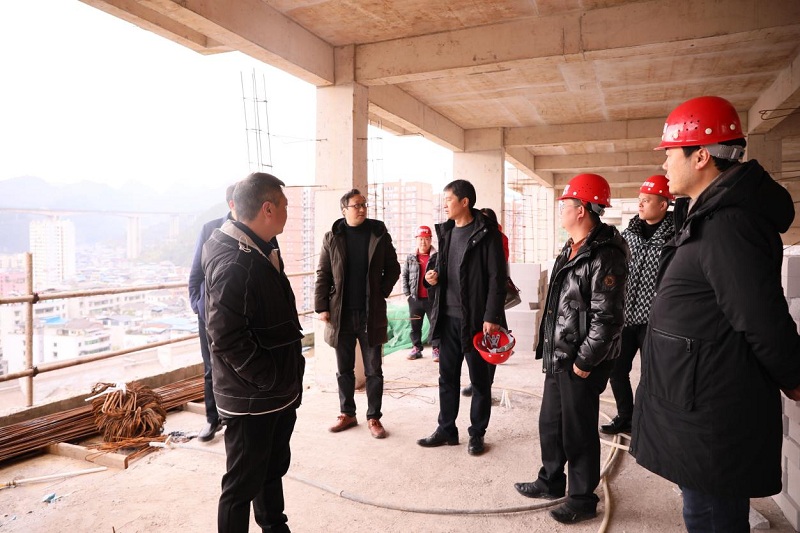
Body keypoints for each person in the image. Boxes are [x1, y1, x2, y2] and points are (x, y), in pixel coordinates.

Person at [629, 95, 800, 533]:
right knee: (703, 508)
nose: (664, 163)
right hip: (699, 396)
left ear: (701, 156)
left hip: (712, 408)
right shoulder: (708, 214)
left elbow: (760, 315)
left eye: (671, 152)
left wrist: (794, 375)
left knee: (710, 517)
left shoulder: (729, 224)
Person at [514, 173, 628, 525]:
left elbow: (607, 317)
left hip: (581, 358)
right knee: (551, 422)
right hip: (559, 353)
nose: (560, 209)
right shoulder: (571, 247)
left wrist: (585, 360)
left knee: (578, 430)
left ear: (581, 210)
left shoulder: (605, 255)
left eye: (564, 204)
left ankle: (581, 498)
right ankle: (550, 480)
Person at [202, 172, 305, 533]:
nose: (288, 211)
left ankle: (274, 526)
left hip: (273, 394)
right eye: (285, 205)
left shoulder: (261, 245)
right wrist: (268, 378)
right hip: (252, 398)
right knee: (241, 485)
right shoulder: (235, 261)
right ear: (267, 209)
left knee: (270, 470)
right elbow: (225, 336)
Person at [416, 179, 507, 457]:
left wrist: (491, 315)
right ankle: (447, 429)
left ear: (464, 202)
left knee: (480, 382)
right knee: (447, 378)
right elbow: (440, 268)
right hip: (447, 318)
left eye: (448, 199)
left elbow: (497, 278)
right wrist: (432, 278)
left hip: (477, 321)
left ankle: (477, 433)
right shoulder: (446, 233)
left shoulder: (487, 234)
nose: (444, 205)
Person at [314, 189, 400, 439]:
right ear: (344, 210)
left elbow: (393, 268)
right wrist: (321, 306)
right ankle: (347, 413)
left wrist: (381, 292)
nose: (362, 209)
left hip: (370, 313)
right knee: (344, 369)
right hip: (340, 314)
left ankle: (374, 417)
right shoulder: (332, 237)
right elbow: (323, 273)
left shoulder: (378, 234)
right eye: (356, 205)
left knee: (374, 370)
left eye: (364, 204)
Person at [600, 176, 674, 435]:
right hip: (625, 318)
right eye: (640, 199)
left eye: (647, 200)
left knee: (652, 375)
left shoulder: (675, 238)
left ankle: (649, 422)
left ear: (663, 205)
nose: (640, 204)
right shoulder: (628, 235)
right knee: (617, 369)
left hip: (655, 320)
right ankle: (626, 417)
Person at [187, 183, 236, 442]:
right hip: (208, 315)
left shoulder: (259, 231)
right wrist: (199, 306)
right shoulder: (210, 229)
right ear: (232, 203)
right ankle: (212, 419)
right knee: (210, 368)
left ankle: (233, 417)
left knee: (237, 366)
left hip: (239, 314)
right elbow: (195, 274)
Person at [461, 207, 509, 397]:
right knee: (474, 343)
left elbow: (497, 271)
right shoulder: (471, 236)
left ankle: (486, 383)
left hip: (492, 299)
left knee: (492, 341)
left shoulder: (497, 238)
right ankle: (477, 381)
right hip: (474, 298)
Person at [402, 225, 439, 361]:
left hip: (431, 298)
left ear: (430, 240)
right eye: (421, 239)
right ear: (416, 240)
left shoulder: (437, 257)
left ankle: (436, 349)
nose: (423, 242)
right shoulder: (411, 257)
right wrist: (408, 295)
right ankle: (416, 348)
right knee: (415, 325)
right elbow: (404, 276)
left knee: (435, 324)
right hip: (415, 298)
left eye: (426, 239)